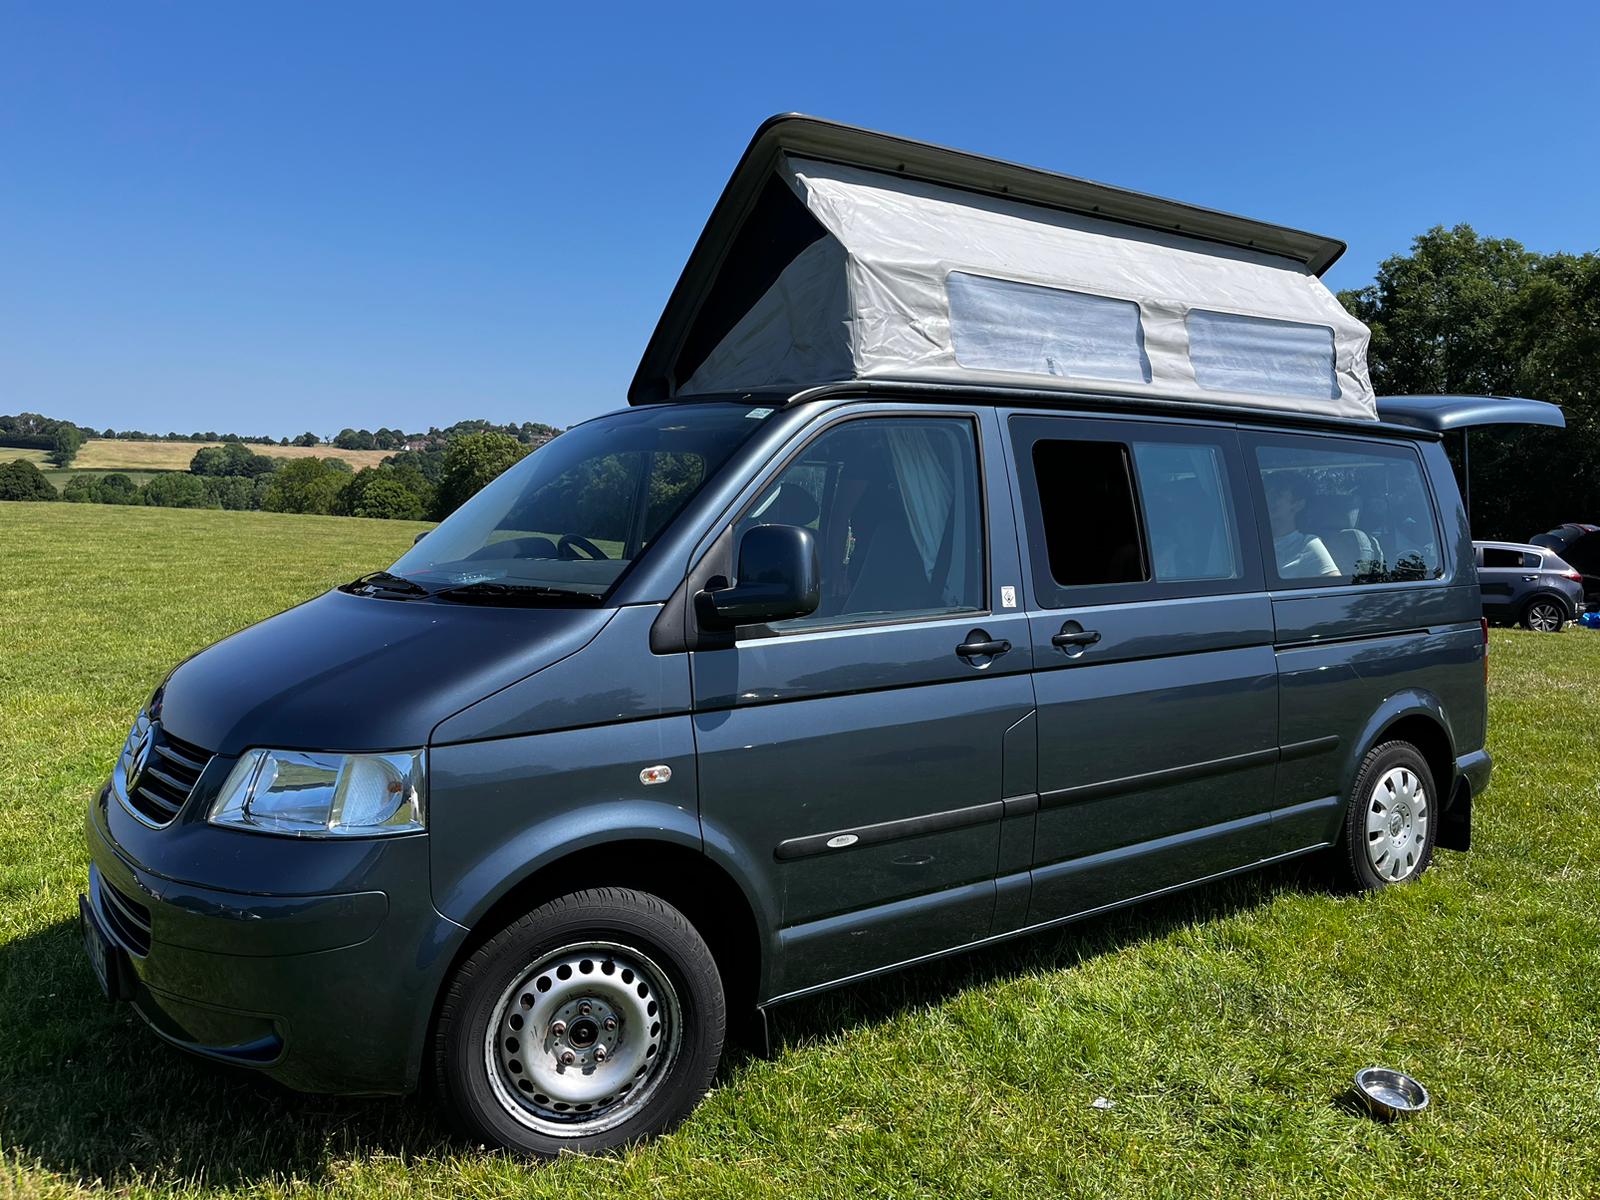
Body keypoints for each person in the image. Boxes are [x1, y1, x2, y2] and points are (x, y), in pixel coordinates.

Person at [1265, 473, 1340, 579]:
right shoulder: (1248, 542)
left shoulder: (1306, 544)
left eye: (1277, 495)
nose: (1267, 500)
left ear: (1298, 505)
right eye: (1265, 494)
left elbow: (1335, 586)